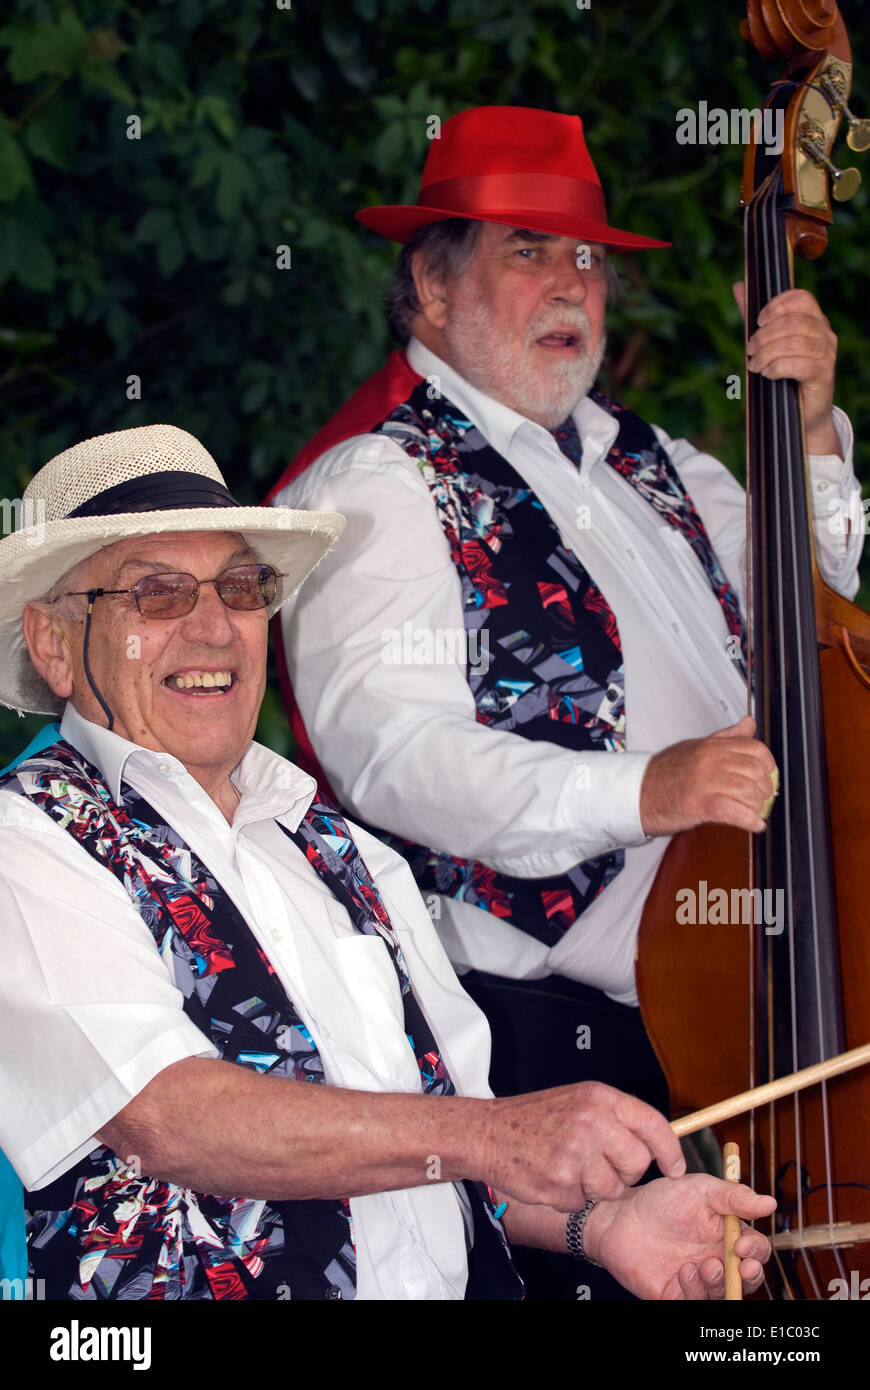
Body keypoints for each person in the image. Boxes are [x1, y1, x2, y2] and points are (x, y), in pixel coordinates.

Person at [265, 105, 862, 1296]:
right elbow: (396, 758)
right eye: (525, 251)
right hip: (550, 1036)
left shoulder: (663, 462)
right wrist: (647, 788)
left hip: (763, 1001)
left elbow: (831, 603)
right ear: (430, 293)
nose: (569, 283)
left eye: (584, 255)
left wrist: (807, 435)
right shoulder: (377, 480)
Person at [0, 423, 775, 1301]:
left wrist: (600, 1227)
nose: (215, 627)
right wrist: (496, 1137)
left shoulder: (345, 849)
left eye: (242, 586)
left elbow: (440, 1140)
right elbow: (169, 1118)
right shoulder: (27, 843)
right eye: (159, 593)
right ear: (54, 644)